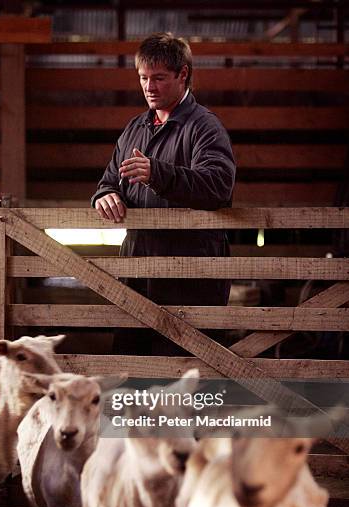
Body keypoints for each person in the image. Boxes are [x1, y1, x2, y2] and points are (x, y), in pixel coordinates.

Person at [91, 32, 236, 355]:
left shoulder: (204, 127)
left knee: (186, 380)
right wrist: (105, 195)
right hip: (138, 270)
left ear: (183, 74)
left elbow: (218, 186)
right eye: (143, 78)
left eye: (158, 78)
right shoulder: (135, 128)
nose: (149, 87)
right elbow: (109, 181)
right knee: (132, 372)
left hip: (191, 275)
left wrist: (158, 173)